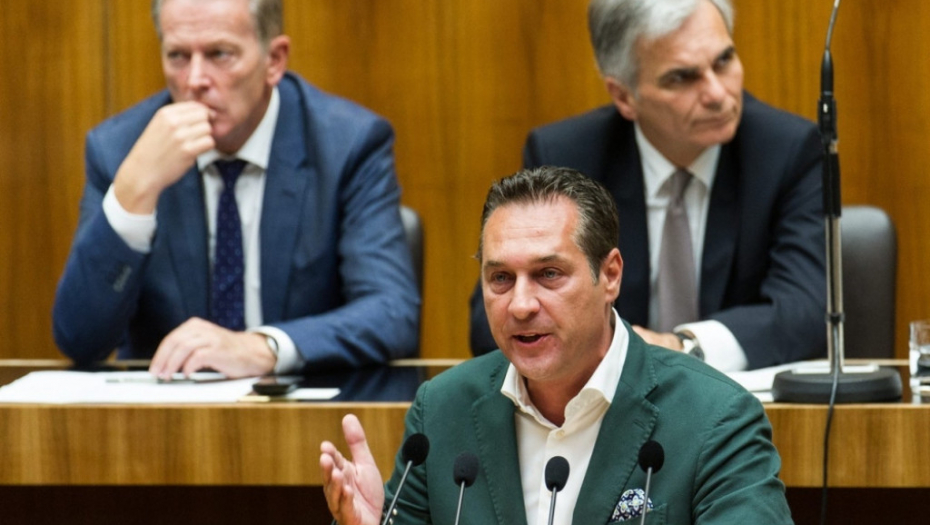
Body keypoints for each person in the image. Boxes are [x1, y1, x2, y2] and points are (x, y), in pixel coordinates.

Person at [320, 167, 792, 525]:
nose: (521, 304)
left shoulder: (716, 417)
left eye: (549, 274)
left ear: (610, 275)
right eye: (501, 278)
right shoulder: (442, 410)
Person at [52, 0, 419, 379]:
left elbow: (391, 311)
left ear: (274, 60)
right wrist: (134, 194)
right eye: (178, 56)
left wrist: (264, 347)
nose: (195, 80)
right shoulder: (120, 150)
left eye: (219, 54)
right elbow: (80, 339)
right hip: (168, 407)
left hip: (304, 407)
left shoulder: (347, 145)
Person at [470, 0, 826, 371]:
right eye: (681, 78)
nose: (717, 94)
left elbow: (806, 310)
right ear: (624, 96)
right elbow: (491, 321)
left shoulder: (786, 150)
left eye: (723, 61)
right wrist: (615, 349)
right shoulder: (568, 157)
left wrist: (682, 347)